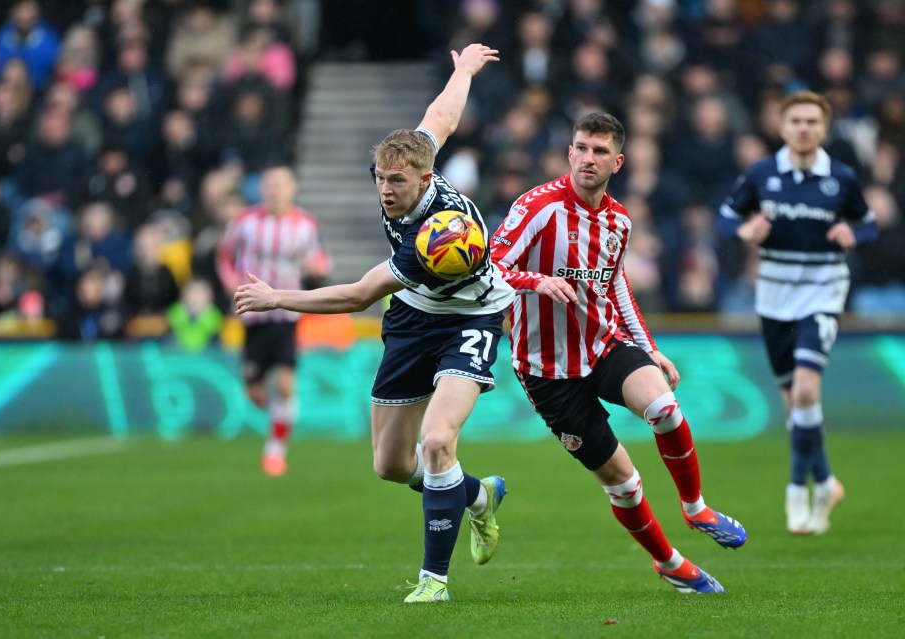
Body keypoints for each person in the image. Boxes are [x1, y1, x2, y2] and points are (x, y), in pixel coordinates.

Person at [234, 43, 513, 603]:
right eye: (380, 178)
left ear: (425, 178)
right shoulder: (412, 157)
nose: (386, 190)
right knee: (389, 465)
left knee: (437, 442)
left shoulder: (434, 238)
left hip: (470, 318)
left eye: (397, 183)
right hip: (413, 319)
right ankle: (478, 496)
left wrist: (276, 299)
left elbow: (357, 295)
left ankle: (434, 580)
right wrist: (462, 70)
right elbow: (440, 117)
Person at [490, 112, 747, 595]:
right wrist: (537, 281)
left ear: (618, 161)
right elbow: (491, 265)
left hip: (603, 345)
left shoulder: (619, 221)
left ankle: (695, 508)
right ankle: (669, 563)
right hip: (547, 372)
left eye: (600, 151)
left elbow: (616, 286)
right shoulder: (538, 208)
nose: (589, 158)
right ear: (569, 153)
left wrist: (650, 350)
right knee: (624, 483)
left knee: (665, 408)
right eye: (582, 148)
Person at [718, 90, 878, 535]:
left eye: (812, 121)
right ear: (783, 127)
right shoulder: (762, 174)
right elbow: (725, 217)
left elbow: (869, 223)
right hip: (773, 298)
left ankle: (796, 491)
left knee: (806, 391)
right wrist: (745, 227)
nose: (804, 128)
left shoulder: (841, 179)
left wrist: (854, 233)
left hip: (823, 292)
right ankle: (825, 482)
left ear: (824, 129)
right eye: (796, 121)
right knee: (795, 405)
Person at [218, 165, 330, 476]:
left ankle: (275, 449)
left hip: (286, 311)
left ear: (292, 188)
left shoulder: (305, 224)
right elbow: (225, 255)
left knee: (284, 382)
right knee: (254, 391)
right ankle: (281, 417)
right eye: (270, 184)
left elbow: (320, 260)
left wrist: (315, 266)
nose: (275, 190)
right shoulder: (244, 222)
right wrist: (230, 282)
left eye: (281, 184)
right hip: (252, 314)